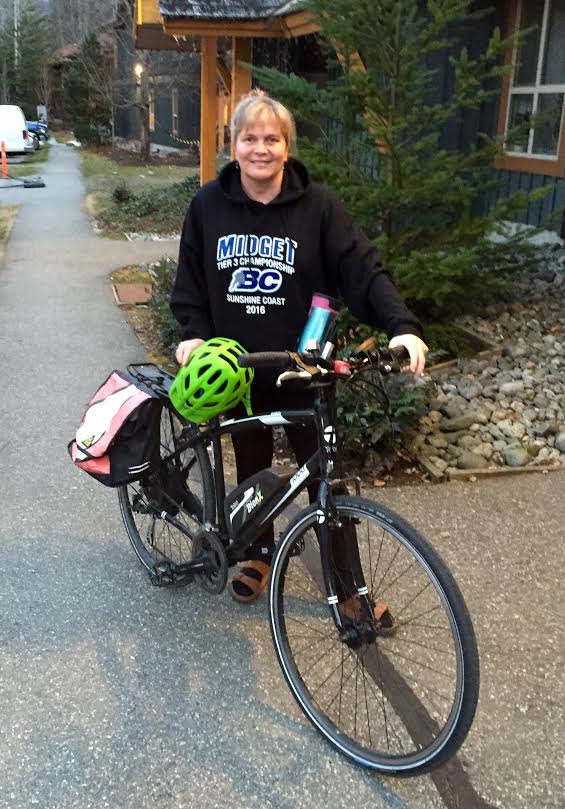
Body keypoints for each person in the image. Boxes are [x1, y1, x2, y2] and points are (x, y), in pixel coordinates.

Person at [170, 91, 428, 603]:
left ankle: (347, 590)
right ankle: (257, 554)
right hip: (239, 368)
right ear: (233, 145)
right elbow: (191, 280)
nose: (260, 148)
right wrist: (194, 334)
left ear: (287, 147)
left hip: (304, 368)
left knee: (326, 479)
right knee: (253, 466)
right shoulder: (208, 206)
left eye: (272, 138)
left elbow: (362, 267)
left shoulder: (320, 207)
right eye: (249, 138)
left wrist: (401, 325)